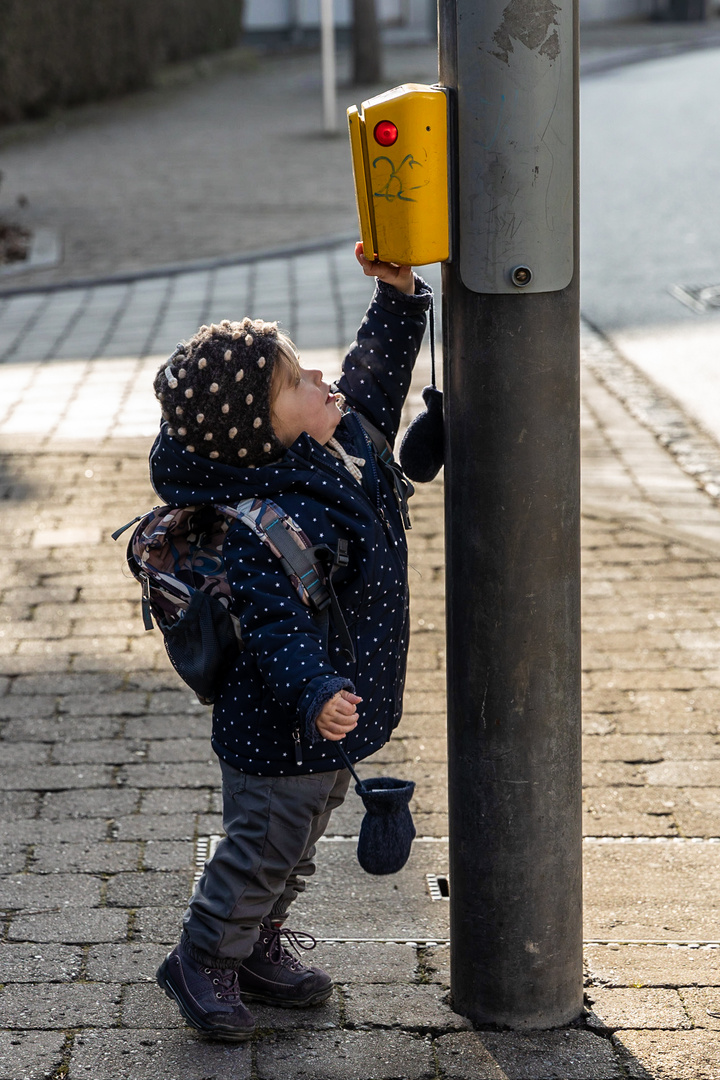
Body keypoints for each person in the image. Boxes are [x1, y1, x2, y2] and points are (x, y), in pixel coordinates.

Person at [151, 243, 431, 1041]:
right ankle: (203, 958)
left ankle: (252, 943)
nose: (323, 382)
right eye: (297, 383)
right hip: (282, 726)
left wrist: (399, 299)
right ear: (259, 432)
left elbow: (373, 376)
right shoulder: (266, 522)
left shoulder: (326, 447)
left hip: (323, 722)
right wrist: (316, 692)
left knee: (295, 846)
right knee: (261, 849)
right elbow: (274, 628)